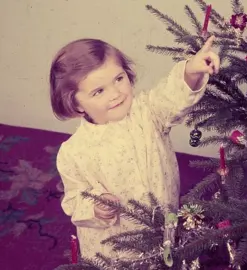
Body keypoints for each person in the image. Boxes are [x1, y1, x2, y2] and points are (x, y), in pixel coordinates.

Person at [49, 36, 220, 260]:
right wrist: (95, 209)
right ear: (76, 103)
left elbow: (172, 97)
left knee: (166, 257)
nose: (115, 93)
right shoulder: (72, 153)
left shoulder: (147, 112)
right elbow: (74, 201)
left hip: (164, 225)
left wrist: (191, 71)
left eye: (119, 79)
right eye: (98, 91)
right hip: (115, 249)